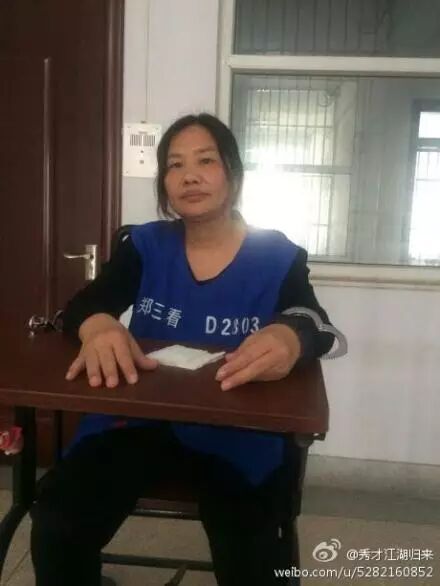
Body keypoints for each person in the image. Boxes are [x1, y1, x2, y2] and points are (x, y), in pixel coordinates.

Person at [30, 113, 337, 586]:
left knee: (254, 553)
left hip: (239, 433)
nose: (189, 175)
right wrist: (99, 326)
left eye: (205, 161)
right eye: (175, 165)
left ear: (232, 174)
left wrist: (291, 336)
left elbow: (315, 322)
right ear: (164, 183)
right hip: (138, 423)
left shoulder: (278, 255)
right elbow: (86, 305)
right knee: (58, 520)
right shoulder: (145, 245)